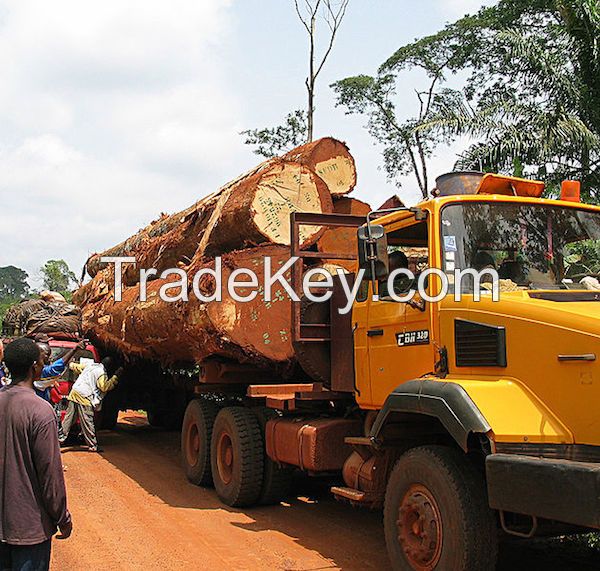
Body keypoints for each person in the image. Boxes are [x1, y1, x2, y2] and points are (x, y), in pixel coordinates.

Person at [0, 338, 72, 571]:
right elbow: (50, 475)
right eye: (42, 361)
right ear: (34, 367)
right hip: (29, 528)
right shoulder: (41, 412)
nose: (44, 365)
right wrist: (62, 518)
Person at [59, 357, 122, 453]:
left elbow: (76, 367)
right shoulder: (101, 373)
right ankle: (93, 445)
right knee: (87, 421)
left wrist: (71, 363)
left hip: (75, 392)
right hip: (85, 396)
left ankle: (59, 439)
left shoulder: (90, 365)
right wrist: (115, 377)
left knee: (69, 418)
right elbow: (104, 387)